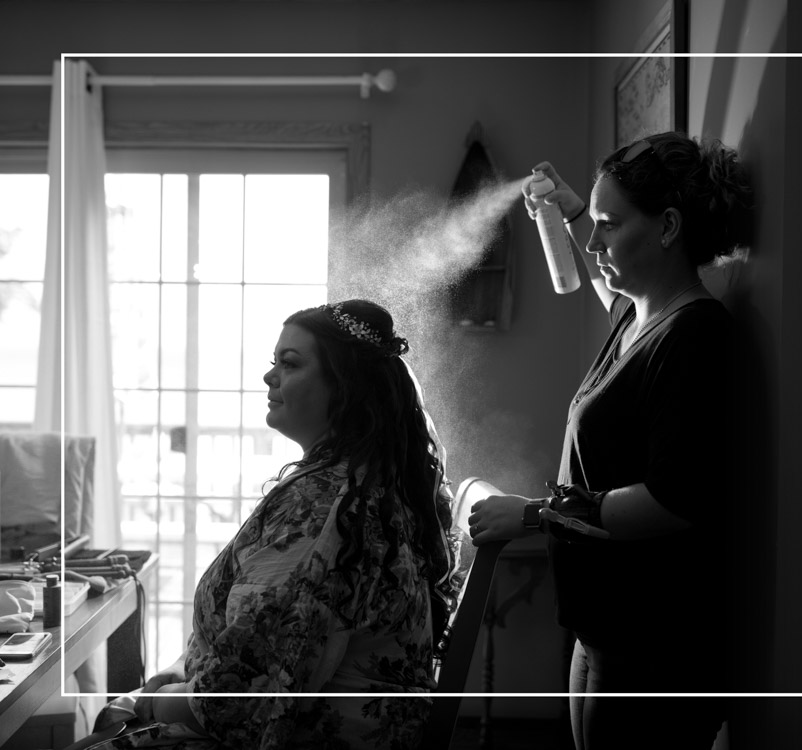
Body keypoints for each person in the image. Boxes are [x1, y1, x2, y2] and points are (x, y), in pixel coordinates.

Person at [466, 131, 756, 749]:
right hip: (602, 628)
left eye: (608, 226)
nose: (594, 243)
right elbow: (604, 284)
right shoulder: (639, 315)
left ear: (668, 226)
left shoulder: (698, 337)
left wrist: (535, 515)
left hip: (652, 646)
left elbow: (675, 501)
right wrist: (573, 209)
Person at [100, 300, 460, 748]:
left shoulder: (325, 510)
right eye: (275, 362)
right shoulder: (359, 485)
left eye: (290, 363)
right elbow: (255, 649)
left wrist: (150, 702)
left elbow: (239, 703)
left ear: (346, 388)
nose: (270, 376)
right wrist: (179, 672)